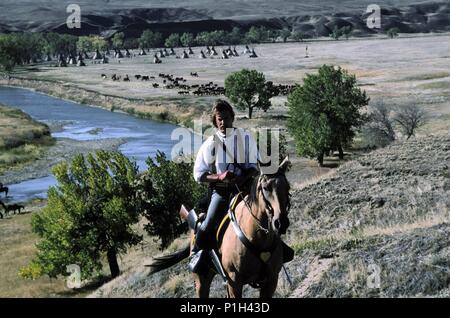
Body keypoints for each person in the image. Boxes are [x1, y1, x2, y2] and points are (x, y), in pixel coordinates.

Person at [190, 99, 259, 271]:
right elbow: (199, 175)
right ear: (215, 121)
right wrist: (219, 176)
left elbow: (254, 167)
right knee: (206, 227)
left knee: (267, 215)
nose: (223, 122)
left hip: (245, 190)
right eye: (219, 119)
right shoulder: (209, 145)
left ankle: (278, 252)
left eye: (226, 118)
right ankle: (198, 257)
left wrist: (242, 179)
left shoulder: (245, 138)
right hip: (221, 193)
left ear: (232, 118)